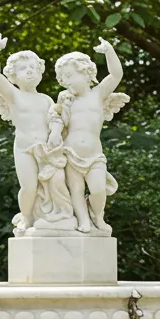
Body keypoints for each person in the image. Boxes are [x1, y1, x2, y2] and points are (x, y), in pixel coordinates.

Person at [54, 39, 130, 234]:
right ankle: (83, 219)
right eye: (63, 79)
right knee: (76, 190)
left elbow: (116, 74)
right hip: (70, 152)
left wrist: (109, 51)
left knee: (98, 189)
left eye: (69, 76)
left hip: (94, 154)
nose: (66, 82)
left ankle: (98, 216)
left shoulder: (98, 95)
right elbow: (56, 122)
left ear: (86, 72)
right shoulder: (66, 100)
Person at [0, 34, 55, 233]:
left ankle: (50, 215)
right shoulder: (14, 95)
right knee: (29, 186)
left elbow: (57, 124)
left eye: (33, 68)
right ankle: (26, 217)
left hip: (47, 149)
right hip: (24, 148)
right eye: (24, 69)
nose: (30, 72)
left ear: (41, 71)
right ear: (13, 76)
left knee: (51, 186)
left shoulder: (46, 100)